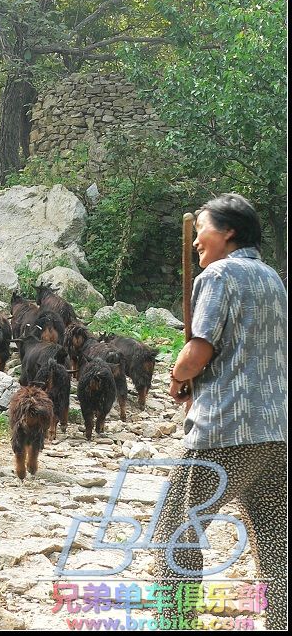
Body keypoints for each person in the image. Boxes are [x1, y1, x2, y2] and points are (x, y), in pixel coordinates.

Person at [152, 193, 287, 630]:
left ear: (228, 232)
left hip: (225, 428)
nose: (195, 243)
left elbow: (198, 350)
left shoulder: (219, 275)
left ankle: (175, 624)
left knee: (174, 534)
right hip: (277, 430)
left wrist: (178, 377)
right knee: (275, 538)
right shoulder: (273, 278)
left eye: (202, 230)